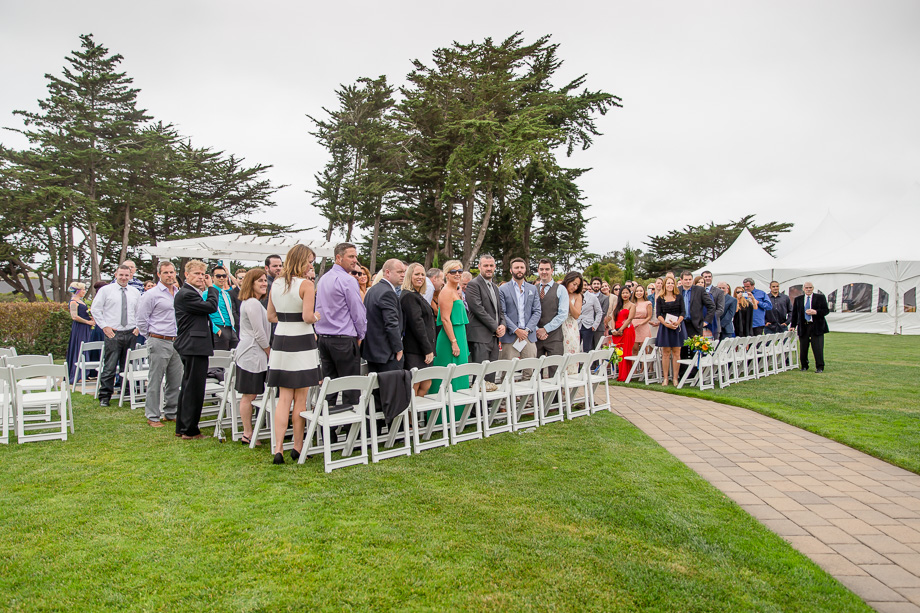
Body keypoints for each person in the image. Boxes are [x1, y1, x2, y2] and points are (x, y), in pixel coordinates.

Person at [266, 244, 321, 464]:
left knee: (283, 397)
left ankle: (278, 447)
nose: (311, 265)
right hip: (303, 341)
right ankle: (297, 446)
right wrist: (317, 316)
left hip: (281, 340)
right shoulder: (306, 284)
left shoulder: (276, 283)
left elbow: (271, 316)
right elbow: (308, 317)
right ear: (301, 260)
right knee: (301, 398)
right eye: (309, 261)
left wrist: (288, 320)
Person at [314, 242, 367, 407]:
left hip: (324, 339)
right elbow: (357, 311)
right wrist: (361, 334)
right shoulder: (347, 280)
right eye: (351, 256)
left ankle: (327, 429)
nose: (355, 260)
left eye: (356, 256)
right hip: (343, 339)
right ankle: (351, 428)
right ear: (338, 258)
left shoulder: (323, 279)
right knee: (351, 388)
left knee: (329, 386)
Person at [174, 260, 220, 439]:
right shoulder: (187, 294)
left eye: (203, 274)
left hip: (193, 344)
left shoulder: (190, 293)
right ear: (186, 275)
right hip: (193, 345)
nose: (201, 277)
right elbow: (211, 307)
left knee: (188, 386)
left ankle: (182, 426)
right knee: (194, 388)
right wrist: (212, 288)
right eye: (196, 274)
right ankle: (190, 429)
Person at [135, 261, 183, 428]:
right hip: (158, 339)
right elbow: (141, 319)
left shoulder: (178, 293)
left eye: (172, 272)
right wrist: (150, 336)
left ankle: (171, 412)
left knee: (175, 379)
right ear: (159, 275)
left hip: (177, 341)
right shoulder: (151, 294)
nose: (170, 275)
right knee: (155, 379)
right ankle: (153, 416)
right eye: (166, 273)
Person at [93, 264, 141, 407]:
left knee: (127, 366)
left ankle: (126, 393)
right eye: (121, 275)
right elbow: (96, 309)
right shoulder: (106, 290)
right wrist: (104, 326)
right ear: (115, 275)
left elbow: (139, 311)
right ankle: (105, 396)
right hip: (113, 332)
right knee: (110, 366)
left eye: (127, 275)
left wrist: (138, 327)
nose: (124, 277)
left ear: (130, 276)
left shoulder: (134, 292)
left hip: (131, 332)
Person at [234, 268, 271, 445]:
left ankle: (250, 431)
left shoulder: (254, 302)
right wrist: (269, 351)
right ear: (251, 283)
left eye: (265, 280)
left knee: (252, 393)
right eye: (260, 281)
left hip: (255, 353)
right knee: (248, 395)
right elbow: (259, 333)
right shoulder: (252, 304)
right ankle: (248, 433)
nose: (265, 283)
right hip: (251, 354)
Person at [430, 260, 470, 397]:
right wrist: (454, 342)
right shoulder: (446, 292)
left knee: (460, 373)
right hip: (450, 338)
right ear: (447, 274)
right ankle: (444, 415)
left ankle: (459, 413)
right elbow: (446, 319)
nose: (457, 274)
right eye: (454, 272)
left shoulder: (455, 291)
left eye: (460, 271)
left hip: (460, 334)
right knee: (449, 376)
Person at [464, 254, 505, 380]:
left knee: (491, 374)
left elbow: (500, 311)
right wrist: (495, 327)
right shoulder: (473, 284)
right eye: (485, 265)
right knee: (480, 375)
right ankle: (479, 400)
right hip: (480, 337)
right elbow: (478, 309)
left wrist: (503, 325)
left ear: (495, 267)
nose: (489, 268)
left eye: (491, 265)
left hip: (494, 338)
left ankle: (489, 400)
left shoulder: (495, 287)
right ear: (479, 267)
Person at [363, 259, 407, 373]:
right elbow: (391, 323)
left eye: (404, 272)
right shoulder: (387, 293)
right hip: (387, 354)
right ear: (387, 272)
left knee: (377, 390)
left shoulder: (373, 290)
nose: (403, 275)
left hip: (373, 352)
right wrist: (399, 349)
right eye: (399, 272)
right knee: (390, 390)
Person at [400, 263, 436, 395]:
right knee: (414, 385)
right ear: (409, 276)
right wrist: (427, 349)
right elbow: (417, 324)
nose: (420, 277)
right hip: (415, 349)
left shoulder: (417, 295)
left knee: (426, 383)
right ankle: (411, 415)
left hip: (424, 348)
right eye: (417, 274)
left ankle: (418, 415)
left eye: (422, 274)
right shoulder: (409, 296)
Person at [499, 257, 541, 365]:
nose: (519, 270)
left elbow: (537, 311)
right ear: (511, 270)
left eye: (522, 267)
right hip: (510, 335)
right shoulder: (503, 289)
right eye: (516, 267)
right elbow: (502, 312)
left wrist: (526, 330)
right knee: (507, 371)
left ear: (525, 269)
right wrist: (516, 330)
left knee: (530, 370)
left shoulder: (532, 289)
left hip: (528, 335)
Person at [790, 281, 829, 372]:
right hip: (804, 326)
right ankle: (804, 366)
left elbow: (826, 311)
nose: (808, 289)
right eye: (806, 288)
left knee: (818, 348)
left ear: (813, 288)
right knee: (803, 348)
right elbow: (795, 314)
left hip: (816, 326)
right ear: (803, 289)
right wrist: (793, 325)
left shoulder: (820, 297)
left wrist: (816, 312)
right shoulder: (798, 299)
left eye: (810, 288)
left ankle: (819, 367)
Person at [534, 259, 568, 361]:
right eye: (541, 269)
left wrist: (545, 329)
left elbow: (563, 314)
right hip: (535, 337)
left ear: (552, 270)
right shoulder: (532, 289)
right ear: (538, 270)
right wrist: (537, 330)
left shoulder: (561, 289)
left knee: (555, 369)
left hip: (554, 337)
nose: (544, 272)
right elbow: (527, 312)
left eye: (547, 269)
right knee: (535, 371)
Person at [655, 277, 687, 386]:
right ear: (664, 285)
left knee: (677, 352)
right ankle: (665, 378)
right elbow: (658, 314)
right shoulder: (660, 298)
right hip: (665, 327)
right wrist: (665, 323)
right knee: (666, 352)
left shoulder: (679, 297)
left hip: (677, 327)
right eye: (668, 283)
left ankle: (675, 378)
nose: (670, 285)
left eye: (672, 283)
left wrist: (678, 322)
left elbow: (683, 312)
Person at [65, 282, 95, 384]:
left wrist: (90, 318)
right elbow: (74, 316)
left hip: (86, 327)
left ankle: (84, 373)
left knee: (85, 348)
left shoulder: (81, 301)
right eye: (83, 290)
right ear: (78, 291)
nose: (84, 291)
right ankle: (77, 375)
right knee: (79, 348)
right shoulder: (73, 302)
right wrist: (87, 321)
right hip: (79, 328)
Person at [607, 285, 636, 382]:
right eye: (623, 293)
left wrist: (621, 330)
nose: (625, 295)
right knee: (619, 353)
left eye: (626, 293)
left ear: (630, 294)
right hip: (617, 330)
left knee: (626, 352)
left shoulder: (632, 305)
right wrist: (614, 330)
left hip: (627, 331)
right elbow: (613, 318)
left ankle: (626, 375)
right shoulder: (617, 306)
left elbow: (629, 319)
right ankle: (620, 374)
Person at [209, 265, 238, 351]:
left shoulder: (226, 294)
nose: (221, 278)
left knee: (233, 357)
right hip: (218, 327)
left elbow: (241, 287)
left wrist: (233, 329)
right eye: (218, 276)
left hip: (230, 328)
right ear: (212, 278)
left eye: (224, 276)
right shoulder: (208, 293)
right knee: (220, 359)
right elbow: (205, 313)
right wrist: (216, 329)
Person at [561, 272, 583, 372]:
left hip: (570, 328)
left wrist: (568, 300)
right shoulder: (559, 290)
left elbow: (576, 315)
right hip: (558, 326)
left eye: (577, 285)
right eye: (574, 284)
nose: (575, 287)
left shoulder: (577, 296)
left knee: (570, 352)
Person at [579, 278, 603, 353]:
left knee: (587, 349)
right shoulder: (574, 295)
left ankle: (588, 364)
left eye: (585, 285)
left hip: (588, 326)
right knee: (576, 348)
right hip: (577, 325)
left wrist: (595, 325)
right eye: (582, 284)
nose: (584, 286)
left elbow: (599, 312)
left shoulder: (592, 297)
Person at [701, 270, 725, 338]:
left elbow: (720, 309)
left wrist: (708, 318)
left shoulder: (719, 292)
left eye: (709, 276)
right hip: (699, 324)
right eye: (705, 277)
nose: (708, 278)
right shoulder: (697, 291)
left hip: (713, 324)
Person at [631, 284, 654, 354]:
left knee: (644, 350)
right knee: (634, 349)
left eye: (641, 291)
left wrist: (641, 323)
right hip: (634, 326)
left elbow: (649, 316)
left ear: (644, 292)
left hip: (643, 326)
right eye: (637, 291)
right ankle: (634, 365)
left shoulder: (648, 303)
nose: (639, 293)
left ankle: (644, 365)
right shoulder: (632, 304)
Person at [589, 277, 609, 349]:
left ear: (600, 285)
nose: (596, 285)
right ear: (591, 285)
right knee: (589, 349)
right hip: (587, 326)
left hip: (599, 327)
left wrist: (595, 323)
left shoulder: (605, 298)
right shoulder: (587, 297)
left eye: (598, 284)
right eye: (594, 284)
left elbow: (603, 313)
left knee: (598, 348)